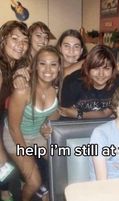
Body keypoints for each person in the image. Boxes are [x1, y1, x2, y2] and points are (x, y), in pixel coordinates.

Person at [3, 46, 63, 201]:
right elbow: (14, 127)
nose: (48, 69)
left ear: (59, 67)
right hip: (15, 135)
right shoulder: (23, 90)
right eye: (43, 63)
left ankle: (48, 193)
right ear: (35, 66)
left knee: (61, 161)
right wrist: (26, 154)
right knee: (34, 182)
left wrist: (47, 127)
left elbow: (52, 115)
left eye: (53, 64)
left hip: (36, 134)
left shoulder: (57, 88)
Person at [0, 20, 29, 201]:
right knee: (3, 163)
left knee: (6, 172)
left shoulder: (13, 64)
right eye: (14, 38)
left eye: (24, 40)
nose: (20, 44)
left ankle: (4, 191)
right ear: (3, 39)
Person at [59, 44, 119, 119]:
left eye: (106, 68)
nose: (101, 74)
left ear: (113, 69)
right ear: (88, 68)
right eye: (96, 68)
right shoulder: (72, 83)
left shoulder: (118, 83)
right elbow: (64, 113)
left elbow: (108, 113)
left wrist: (80, 114)